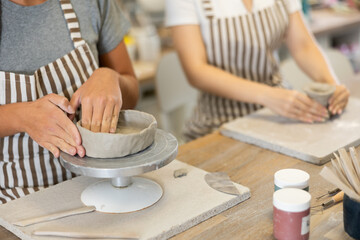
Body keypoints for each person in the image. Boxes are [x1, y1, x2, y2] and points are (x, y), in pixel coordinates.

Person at [0, 0, 139, 203]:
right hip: (18, 197)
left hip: (103, 183)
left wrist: (111, 78)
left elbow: (132, 93)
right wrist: (21, 117)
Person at [166, 0, 350, 141]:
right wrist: (267, 95)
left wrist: (331, 85)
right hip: (218, 121)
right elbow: (196, 71)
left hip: (279, 114)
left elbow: (303, 46)